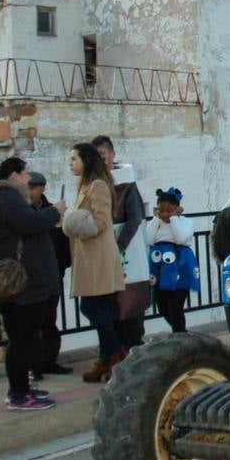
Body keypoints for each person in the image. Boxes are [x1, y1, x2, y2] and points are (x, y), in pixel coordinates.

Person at [0, 157, 65, 411]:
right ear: (14, 175)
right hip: (17, 287)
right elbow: (30, 223)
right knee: (21, 340)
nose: (29, 178)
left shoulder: (0, 197)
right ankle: (18, 395)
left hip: (15, 283)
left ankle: (21, 390)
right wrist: (55, 210)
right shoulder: (7, 197)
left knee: (22, 338)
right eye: (26, 173)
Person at [62, 142, 126, 381]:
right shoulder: (85, 185)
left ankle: (117, 353)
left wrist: (72, 222)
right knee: (101, 310)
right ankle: (106, 358)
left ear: (86, 161)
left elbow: (100, 221)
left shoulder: (98, 185)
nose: (70, 164)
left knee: (90, 307)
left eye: (73, 159)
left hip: (97, 257)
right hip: (89, 255)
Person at [93, 135, 149, 350]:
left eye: (102, 156)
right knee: (107, 305)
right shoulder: (93, 182)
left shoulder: (125, 183)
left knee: (129, 305)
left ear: (112, 155)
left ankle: (132, 347)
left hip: (126, 253)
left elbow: (135, 218)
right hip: (103, 254)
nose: (100, 162)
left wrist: (118, 246)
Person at [27, 172, 72, 378]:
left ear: (42, 188)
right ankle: (34, 365)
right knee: (32, 323)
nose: (30, 192)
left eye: (33, 188)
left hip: (51, 272)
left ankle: (50, 360)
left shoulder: (53, 211)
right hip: (30, 276)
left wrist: (62, 227)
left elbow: (64, 246)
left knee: (49, 320)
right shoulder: (23, 212)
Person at [144, 187, 197, 333]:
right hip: (160, 265)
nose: (165, 214)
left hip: (179, 264)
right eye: (162, 211)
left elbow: (181, 238)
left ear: (177, 208)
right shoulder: (157, 222)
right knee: (162, 305)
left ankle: (179, 334)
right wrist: (155, 218)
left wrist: (174, 218)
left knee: (175, 305)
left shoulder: (185, 222)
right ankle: (181, 331)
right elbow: (148, 239)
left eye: (169, 210)